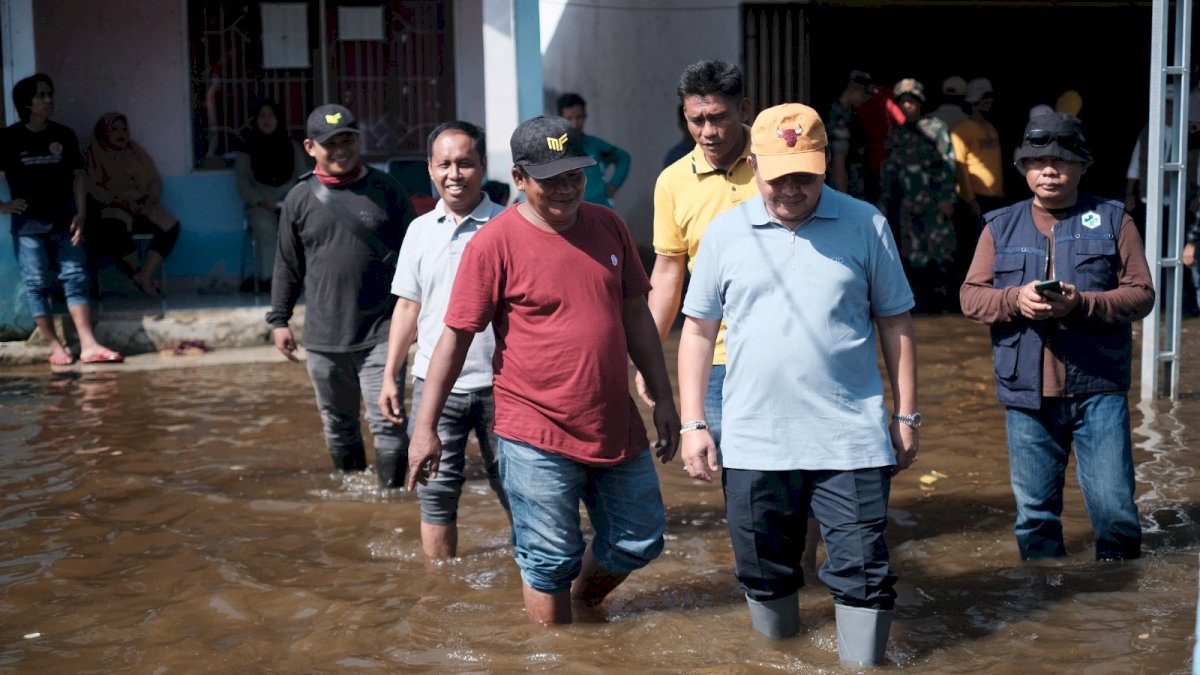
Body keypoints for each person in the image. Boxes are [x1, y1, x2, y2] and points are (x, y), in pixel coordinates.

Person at [404, 115, 680, 624]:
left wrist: (664, 396)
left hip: (613, 421)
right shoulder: (493, 243)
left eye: (574, 175)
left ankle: (582, 602)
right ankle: (558, 654)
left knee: (640, 537)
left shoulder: (610, 225)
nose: (566, 189)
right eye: (551, 179)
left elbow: (635, 314)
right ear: (519, 178)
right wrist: (425, 428)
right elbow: (455, 338)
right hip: (534, 431)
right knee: (549, 560)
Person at [677, 103, 917, 667]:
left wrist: (906, 416)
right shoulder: (726, 232)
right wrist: (694, 422)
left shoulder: (865, 224)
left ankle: (864, 665)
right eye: (779, 175)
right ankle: (778, 658)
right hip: (754, 437)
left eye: (805, 175)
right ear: (753, 164)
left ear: (826, 165)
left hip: (850, 438)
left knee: (863, 569)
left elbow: (896, 324)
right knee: (763, 568)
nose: (791, 188)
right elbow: (696, 331)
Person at [960, 112, 1154, 561]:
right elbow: (971, 298)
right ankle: (1046, 609)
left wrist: (1082, 304)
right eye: (1039, 160)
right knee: (1035, 518)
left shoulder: (1113, 221)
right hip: (1027, 397)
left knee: (1116, 513)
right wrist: (1015, 300)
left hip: (1099, 389)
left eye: (1062, 160)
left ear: (1083, 165)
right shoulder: (999, 225)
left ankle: (1119, 607)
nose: (1050, 169)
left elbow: (1142, 295)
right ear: (1023, 168)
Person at [378, 120, 510, 559]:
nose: (455, 174)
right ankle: (438, 593)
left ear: (483, 166)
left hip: (503, 385)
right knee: (435, 494)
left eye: (466, 163)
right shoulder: (419, 231)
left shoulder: (508, 226)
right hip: (436, 388)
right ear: (431, 171)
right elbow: (408, 308)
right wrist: (390, 376)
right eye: (445, 164)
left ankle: (534, 579)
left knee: (517, 490)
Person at [267, 104, 413, 488]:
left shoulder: (386, 190)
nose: (340, 149)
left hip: (382, 331)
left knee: (389, 421)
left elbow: (417, 256)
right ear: (310, 147)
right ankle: (353, 496)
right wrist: (279, 319)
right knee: (337, 423)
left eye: (347, 139)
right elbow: (287, 264)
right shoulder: (299, 199)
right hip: (323, 338)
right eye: (330, 143)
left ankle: (392, 503)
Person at [0, 74, 122, 366]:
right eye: (41, 95)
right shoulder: (9, 138)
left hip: (64, 221)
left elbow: (77, 176)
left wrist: (80, 213)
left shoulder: (63, 135)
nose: (48, 100)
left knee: (76, 277)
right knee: (37, 282)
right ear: (26, 103)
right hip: (28, 225)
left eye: (49, 94)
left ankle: (89, 345)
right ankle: (55, 346)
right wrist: (3, 206)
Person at [878, 78, 957, 314]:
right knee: (912, 256)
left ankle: (945, 304)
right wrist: (883, 206)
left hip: (934, 204)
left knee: (941, 254)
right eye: (903, 102)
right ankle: (919, 305)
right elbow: (888, 175)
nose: (907, 106)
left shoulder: (935, 128)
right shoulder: (896, 136)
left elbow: (949, 164)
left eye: (911, 101)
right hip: (907, 207)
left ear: (920, 102)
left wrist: (947, 198)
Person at [83, 112, 182, 300]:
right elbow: (95, 189)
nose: (121, 134)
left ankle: (146, 275)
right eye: (115, 130)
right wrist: (122, 201)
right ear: (104, 133)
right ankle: (135, 275)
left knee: (170, 225)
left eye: (124, 129)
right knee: (113, 229)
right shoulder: (94, 154)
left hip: (141, 207)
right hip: (112, 209)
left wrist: (148, 201)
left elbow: (154, 182)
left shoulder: (135, 151)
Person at [235, 98, 309, 294]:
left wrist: (291, 199)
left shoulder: (291, 146)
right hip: (261, 203)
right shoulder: (246, 150)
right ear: (255, 120)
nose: (266, 120)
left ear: (278, 119)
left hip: (290, 200)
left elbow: (303, 178)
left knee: (301, 229)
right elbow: (243, 185)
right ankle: (271, 280)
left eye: (271, 116)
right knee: (266, 230)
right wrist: (261, 201)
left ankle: (298, 279)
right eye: (262, 116)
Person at [556, 93, 631, 207]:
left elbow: (624, 157)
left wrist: (613, 185)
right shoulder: (552, 149)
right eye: (569, 118)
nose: (575, 123)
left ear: (585, 116)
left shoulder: (594, 145)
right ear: (559, 119)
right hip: (568, 214)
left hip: (600, 210)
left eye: (579, 117)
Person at [827, 69, 874, 199]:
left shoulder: (849, 114)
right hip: (845, 189)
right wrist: (843, 198)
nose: (865, 100)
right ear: (855, 90)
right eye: (865, 95)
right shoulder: (840, 118)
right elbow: (839, 160)